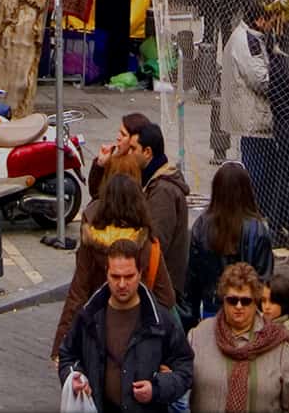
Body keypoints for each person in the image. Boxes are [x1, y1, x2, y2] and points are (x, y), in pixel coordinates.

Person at [52, 170, 180, 358]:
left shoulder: (91, 243)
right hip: (138, 339)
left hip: (97, 335)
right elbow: (166, 298)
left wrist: (60, 347)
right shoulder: (147, 245)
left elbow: (77, 295)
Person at [57, 239, 195, 413]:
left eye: (129, 276)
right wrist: (74, 376)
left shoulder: (161, 321)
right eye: (115, 277)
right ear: (106, 273)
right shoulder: (88, 317)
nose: (122, 284)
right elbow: (67, 355)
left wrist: (157, 388)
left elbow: (185, 369)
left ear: (140, 273)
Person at [188, 260, 289, 412]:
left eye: (245, 301)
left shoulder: (277, 342)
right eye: (232, 300)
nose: (238, 306)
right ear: (223, 300)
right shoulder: (200, 335)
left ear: (255, 301)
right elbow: (180, 379)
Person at [183, 162, 276, 328]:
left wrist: (192, 319)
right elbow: (264, 279)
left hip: (211, 310)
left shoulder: (202, 225)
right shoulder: (258, 229)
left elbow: (192, 279)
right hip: (247, 311)